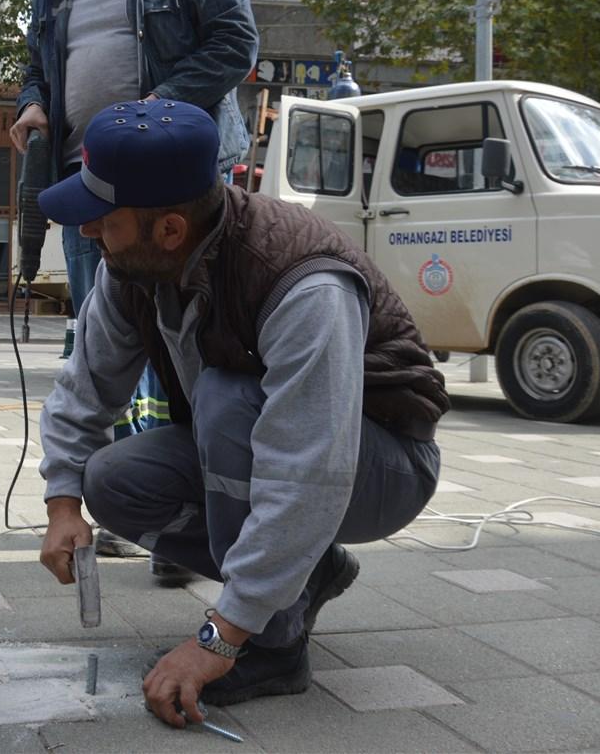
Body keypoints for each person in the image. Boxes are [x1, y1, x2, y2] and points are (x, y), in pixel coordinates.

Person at [35, 100, 447, 728]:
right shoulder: (134, 268)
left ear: (169, 229)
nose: (89, 232)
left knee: (226, 401)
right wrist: (62, 502)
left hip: (380, 465)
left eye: (103, 219)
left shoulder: (302, 282)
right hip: (277, 450)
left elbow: (309, 472)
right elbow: (85, 386)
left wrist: (219, 639)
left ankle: (274, 647)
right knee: (111, 479)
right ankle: (308, 573)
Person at [8, 0, 260, 566]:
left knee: (193, 339)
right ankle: (137, 510)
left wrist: (156, 107)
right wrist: (31, 104)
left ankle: (209, 501)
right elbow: (38, 67)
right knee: (108, 341)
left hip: (181, 177)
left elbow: (236, 43)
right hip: (93, 182)